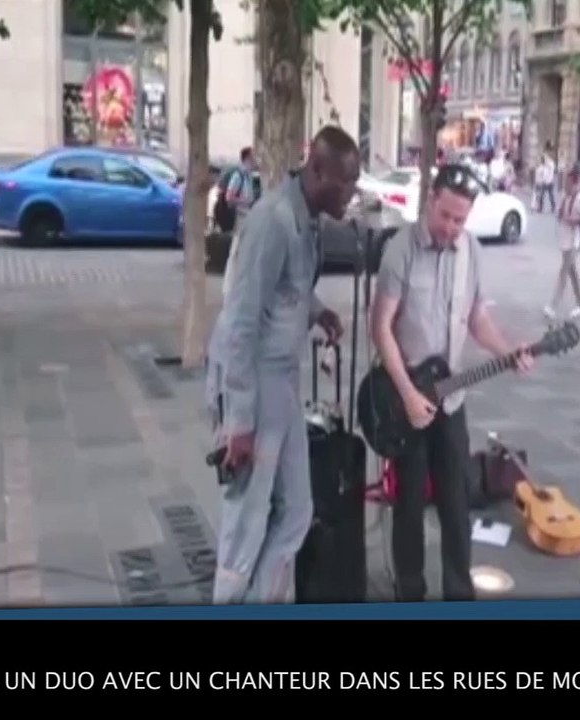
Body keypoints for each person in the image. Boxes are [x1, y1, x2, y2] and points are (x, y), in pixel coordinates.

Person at [203, 128, 358, 604]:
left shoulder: (306, 219)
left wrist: (318, 312)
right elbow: (240, 321)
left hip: (283, 383)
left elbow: (289, 288)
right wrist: (240, 421)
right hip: (254, 383)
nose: (351, 194)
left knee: (297, 511)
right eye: (346, 183)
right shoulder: (272, 219)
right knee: (246, 521)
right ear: (318, 171)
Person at [371, 163, 536, 602]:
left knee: (457, 503)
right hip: (405, 396)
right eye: (445, 215)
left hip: (451, 398)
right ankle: (410, 593)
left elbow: (477, 318)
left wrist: (507, 351)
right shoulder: (401, 250)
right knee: (409, 505)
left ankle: (459, 595)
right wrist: (407, 393)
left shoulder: (471, 252)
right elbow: (380, 327)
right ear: (430, 200)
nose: (451, 227)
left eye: (460, 220)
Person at [544, 168, 580, 320]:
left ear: (574, 184)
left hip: (573, 241)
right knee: (572, 272)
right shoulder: (564, 197)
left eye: (568, 183)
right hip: (564, 239)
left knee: (564, 271)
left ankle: (553, 305)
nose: (566, 185)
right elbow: (559, 214)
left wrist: (573, 220)